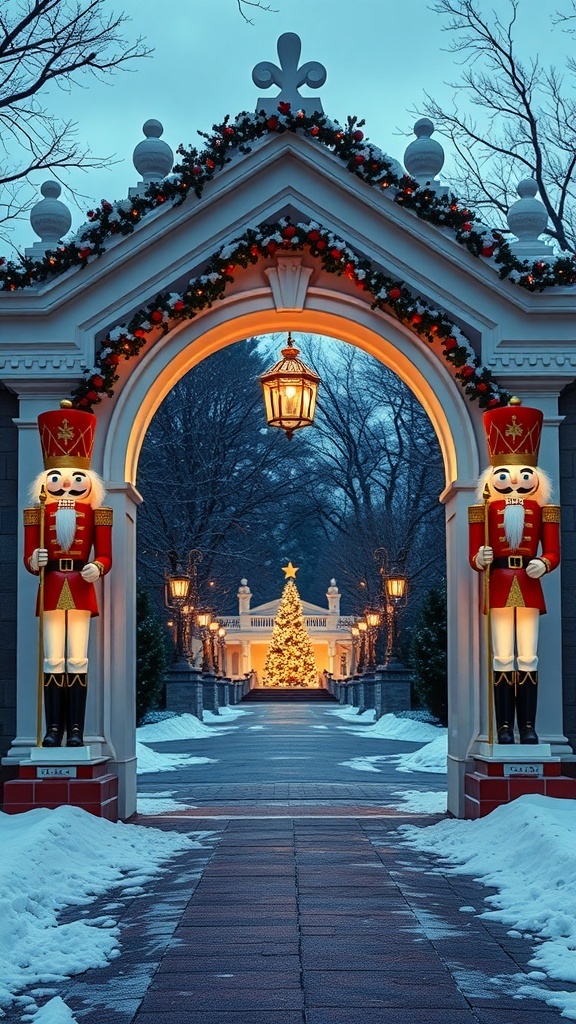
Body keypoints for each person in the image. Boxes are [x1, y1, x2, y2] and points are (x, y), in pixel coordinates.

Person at [468, 397, 560, 744]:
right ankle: (504, 726)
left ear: (534, 476)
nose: (515, 482)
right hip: (499, 582)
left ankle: (529, 726)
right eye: (506, 475)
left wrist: (544, 562)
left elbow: (553, 550)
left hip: (529, 582)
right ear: (494, 476)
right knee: (503, 654)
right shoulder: (483, 511)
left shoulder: (546, 509)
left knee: (529, 655)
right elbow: (474, 555)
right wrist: (482, 558)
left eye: (524, 475)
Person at [23, 400, 113, 747]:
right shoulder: (36, 511)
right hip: (49, 586)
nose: (66, 484)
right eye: (58, 477)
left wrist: (97, 566)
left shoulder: (98, 513)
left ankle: (75, 729)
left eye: (75, 477)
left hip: (79, 584)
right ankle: (52, 729)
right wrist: (36, 559)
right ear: (47, 479)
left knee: (77, 657)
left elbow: (104, 554)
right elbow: (28, 559)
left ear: (86, 479)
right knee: (52, 657)